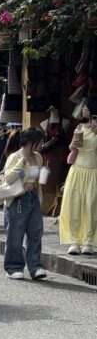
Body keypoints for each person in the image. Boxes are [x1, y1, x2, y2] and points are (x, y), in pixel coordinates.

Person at [2, 128, 47, 280]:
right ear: (31, 142)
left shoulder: (39, 157)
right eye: (40, 141)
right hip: (17, 199)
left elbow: (37, 178)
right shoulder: (15, 157)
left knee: (36, 232)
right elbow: (8, 178)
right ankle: (12, 267)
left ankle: (35, 267)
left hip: (33, 197)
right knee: (15, 233)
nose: (42, 144)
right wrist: (22, 162)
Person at [59, 99, 97, 255]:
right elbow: (72, 149)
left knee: (91, 207)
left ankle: (88, 242)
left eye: (85, 107)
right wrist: (73, 145)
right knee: (74, 205)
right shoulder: (80, 126)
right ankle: (74, 241)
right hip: (76, 170)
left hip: (93, 172)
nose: (82, 110)